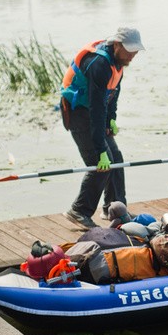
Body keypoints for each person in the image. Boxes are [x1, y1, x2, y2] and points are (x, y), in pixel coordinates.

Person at [60, 27, 144, 229]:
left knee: (116, 158)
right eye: (129, 50)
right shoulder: (99, 64)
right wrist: (100, 150)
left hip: (95, 112)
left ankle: (114, 209)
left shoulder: (119, 62)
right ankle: (79, 210)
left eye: (135, 51)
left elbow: (112, 95)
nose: (132, 55)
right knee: (100, 163)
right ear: (117, 45)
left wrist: (111, 119)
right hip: (79, 113)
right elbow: (96, 109)